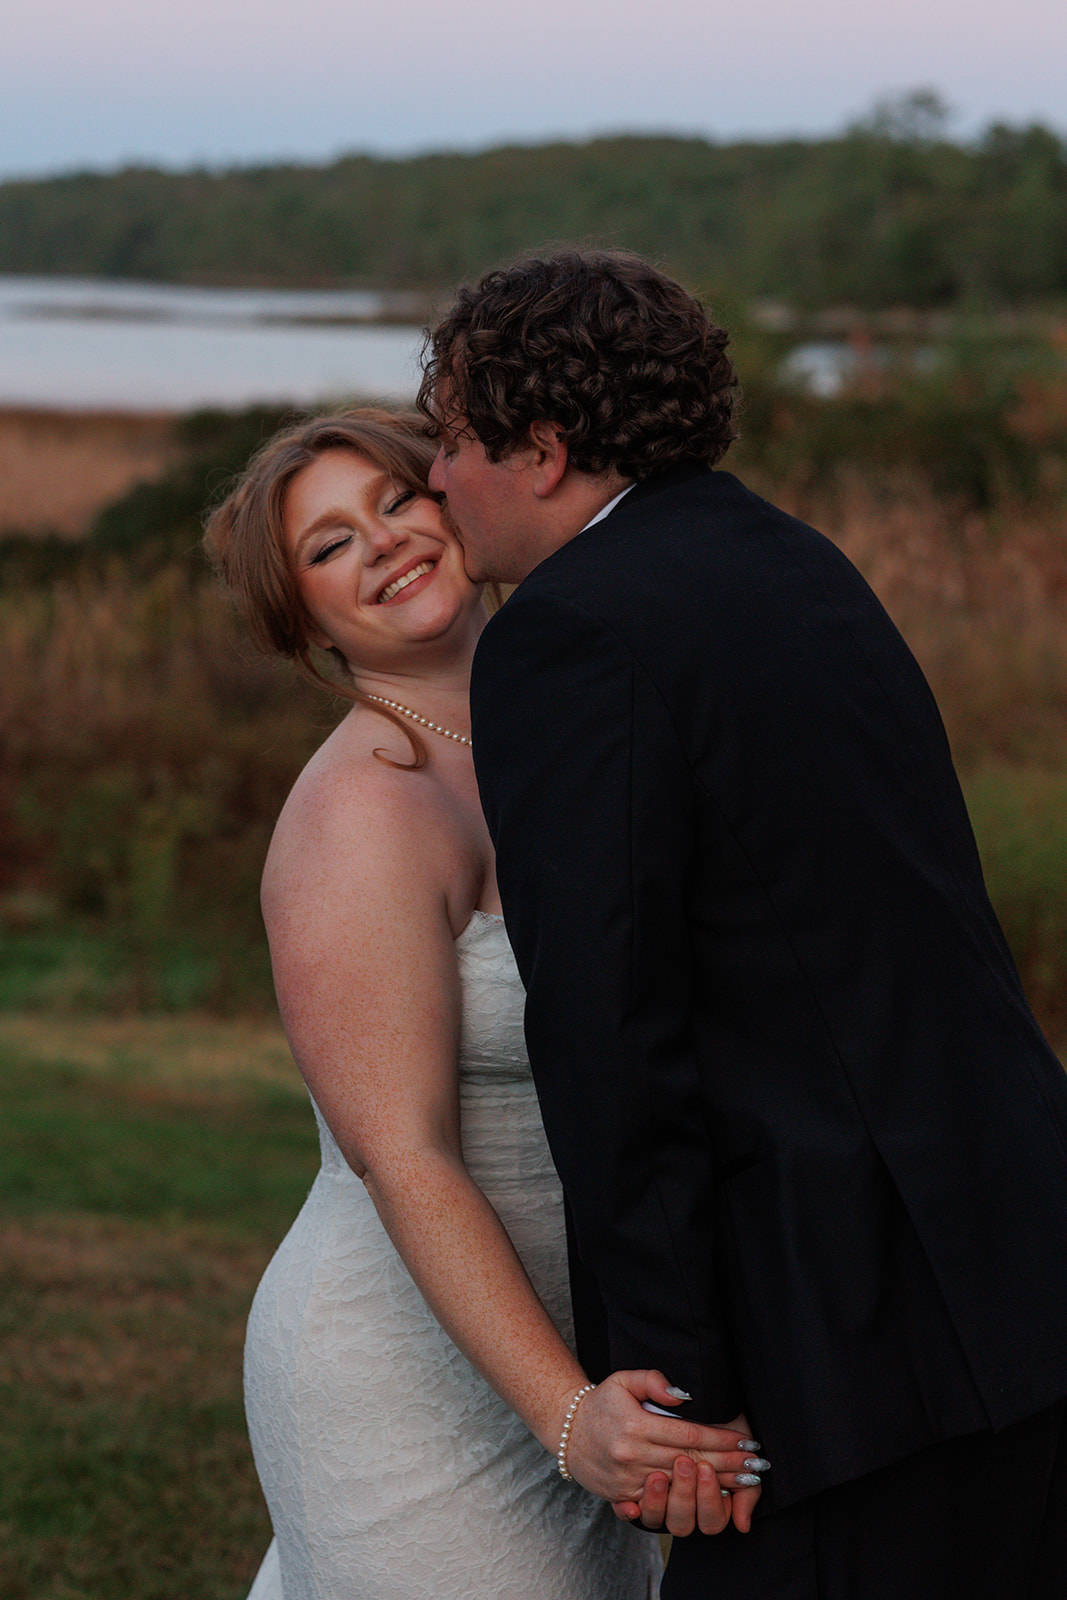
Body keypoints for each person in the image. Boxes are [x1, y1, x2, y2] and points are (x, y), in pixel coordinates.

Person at [417, 250, 1067, 1599]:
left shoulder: (568, 633)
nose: (433, 482)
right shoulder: (790, 560)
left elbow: (607, 1026)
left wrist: (670, 1388)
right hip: (1012, 1264)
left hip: (826, 1341)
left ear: (539, 452)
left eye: (451, 442)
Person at [202, 408, 766, 1600]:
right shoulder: (359, 813)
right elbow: (397, 1153)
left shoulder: (557, 732)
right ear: (299, 615)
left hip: (580, 1359)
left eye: (397, 499)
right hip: (415, 1380)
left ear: (454, 498)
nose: (384, 544)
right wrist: (567, 1417)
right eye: (328, 545)